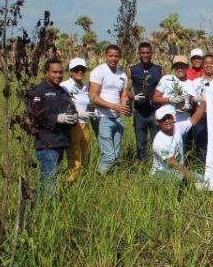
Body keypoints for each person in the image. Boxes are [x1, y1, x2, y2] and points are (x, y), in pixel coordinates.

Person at [27, 59, 79, 198]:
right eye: (54, 72)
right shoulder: (38, 92)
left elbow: (71, 109)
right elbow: (34, 115)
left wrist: (73, 117)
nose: (58, 75)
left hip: (61, 141)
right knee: (50, 180)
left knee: (48, 178)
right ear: (46, 73)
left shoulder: (63, 91)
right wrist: (56, 118)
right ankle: (46, 209)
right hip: (47, 143)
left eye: (60, 72)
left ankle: (37, 203)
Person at [89, 45, 130, 174]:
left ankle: (110, 177)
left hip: (117, 118)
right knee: (109, 155)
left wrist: (123, 105)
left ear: (119, 57)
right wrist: (114, 106)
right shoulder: (98, 71)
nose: (113, 58)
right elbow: (93, 97)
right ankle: (99, 179)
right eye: (110, 56)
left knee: (116, 154)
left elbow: (123, 94)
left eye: (116, 56)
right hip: (102, 117)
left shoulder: (122, 74)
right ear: (105, 56)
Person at [150, 101, 207, 187]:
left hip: (176, 170)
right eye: (163, 119)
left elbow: (194, 119)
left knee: (202, 178)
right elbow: (172, 162)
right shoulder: (159, 141)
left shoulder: (178, 127)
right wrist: (190, 176)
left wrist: (204, 100)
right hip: (161, 174)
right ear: (158, 122)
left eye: (169, 117)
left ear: (173, 118)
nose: (167, 121)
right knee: (185, 180)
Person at [60, 58, 96, 182]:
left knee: (82, 157)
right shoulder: (64, 86)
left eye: (82, 69)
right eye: (76, 69)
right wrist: (78, 113)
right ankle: (69, 184)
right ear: (70, 71)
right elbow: (62, 107)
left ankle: (75, 181)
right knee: (76, 160)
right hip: (73, 125)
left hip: (85, 125)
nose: (80, 72)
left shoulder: (85, 87)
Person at [127, 42, 163, 162]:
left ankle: (156, 164)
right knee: (141, 142)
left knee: (157, 141)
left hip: (155, 112)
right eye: (143, 53)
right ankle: (142, 164)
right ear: (139, 53)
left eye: (148, 52)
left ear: (151, 53)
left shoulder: (159, 69)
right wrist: (134, 97)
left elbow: (165, 89)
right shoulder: (132, 70)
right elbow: (126, 90)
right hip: (140, 113)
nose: (145, 55)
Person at [190, 54, 213, 161]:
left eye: (211, 63)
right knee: (201, 144)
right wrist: (195, 99)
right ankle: (202, 169)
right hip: (200, 116)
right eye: (206, 63)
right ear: (203, 65)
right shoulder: (196, 82)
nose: (209, 65)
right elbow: (191, 100)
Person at [152, 55, 196, 123]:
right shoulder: (166, 79)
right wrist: (170, 99)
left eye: (182, 67)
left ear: (187, 67)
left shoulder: (191, 83)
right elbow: (155, 99)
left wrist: (189, 106)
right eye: (177, 67)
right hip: (167, 120)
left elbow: (192, 103)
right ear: (174, 68)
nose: (180, 69)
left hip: (184, 121)